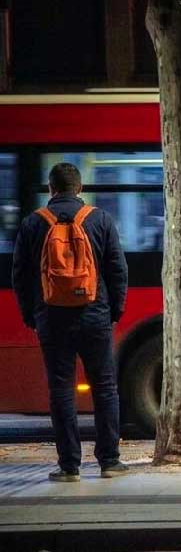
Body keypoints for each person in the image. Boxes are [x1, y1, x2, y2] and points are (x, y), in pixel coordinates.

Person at [11, 163, 129, 482]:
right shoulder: (100, 220)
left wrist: (31, 315)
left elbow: (19, 276)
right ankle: (109, 461)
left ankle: (69, 467)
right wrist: (114, 312)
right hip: (95, 314)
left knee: (61, 388)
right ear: (80, 188)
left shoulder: (33, 223)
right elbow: (118, 270)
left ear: (51, 189)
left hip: (51, 318)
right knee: (105, 387)